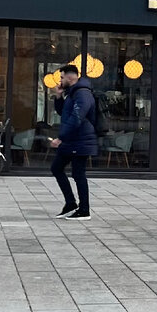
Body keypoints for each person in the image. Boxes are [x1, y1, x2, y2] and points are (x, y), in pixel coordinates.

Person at [49, 64, 96, 220]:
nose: (60, 80)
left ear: (70, 77)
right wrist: (58, 97)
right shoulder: (72, 93)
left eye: (62, 77)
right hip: (72, 140)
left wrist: (60, 138)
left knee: (78, 174)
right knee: (56, 168)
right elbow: (64, 113)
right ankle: (70, 204)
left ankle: (84, 210)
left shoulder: (83, 94)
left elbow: (76, 118)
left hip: (81, 140)